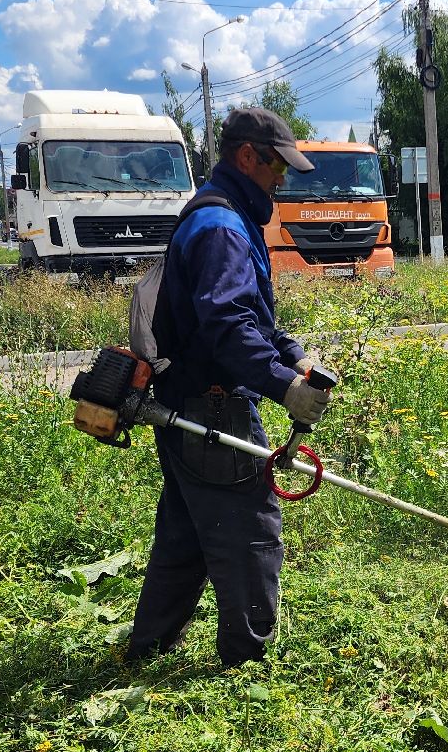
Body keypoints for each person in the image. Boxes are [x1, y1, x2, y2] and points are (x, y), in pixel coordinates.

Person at [128, 107, 329, 668]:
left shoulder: (221, 214)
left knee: (187, 532)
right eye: (276, 167)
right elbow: (226, 328)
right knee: (250, 533)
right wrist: (284, 387)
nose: (281, 179)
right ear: (247, 157)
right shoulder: (221, 227)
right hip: (213, 410)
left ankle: (147, 648)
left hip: (184, 404)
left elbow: (250, 317)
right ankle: (246, 671)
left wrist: (293, 356)